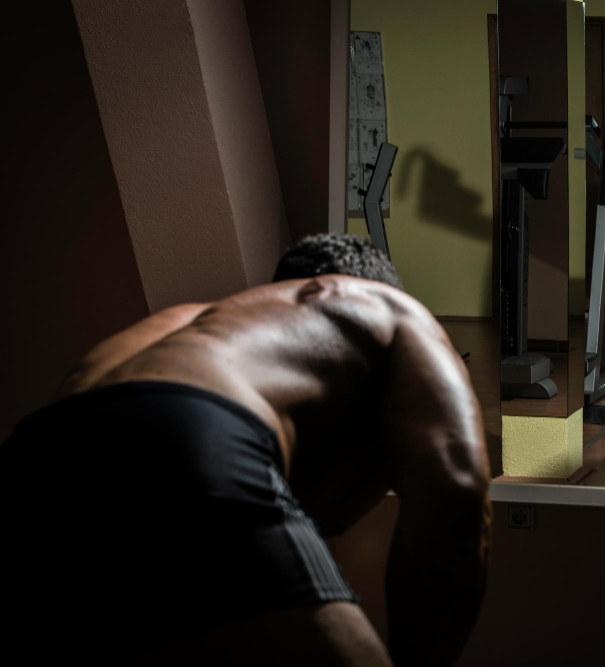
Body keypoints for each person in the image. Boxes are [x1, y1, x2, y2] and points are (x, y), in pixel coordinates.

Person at [0, 233, 493, 664]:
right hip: (184, 433)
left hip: (33, 460)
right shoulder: (383, 304)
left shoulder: (188, 324)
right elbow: (457, 484)